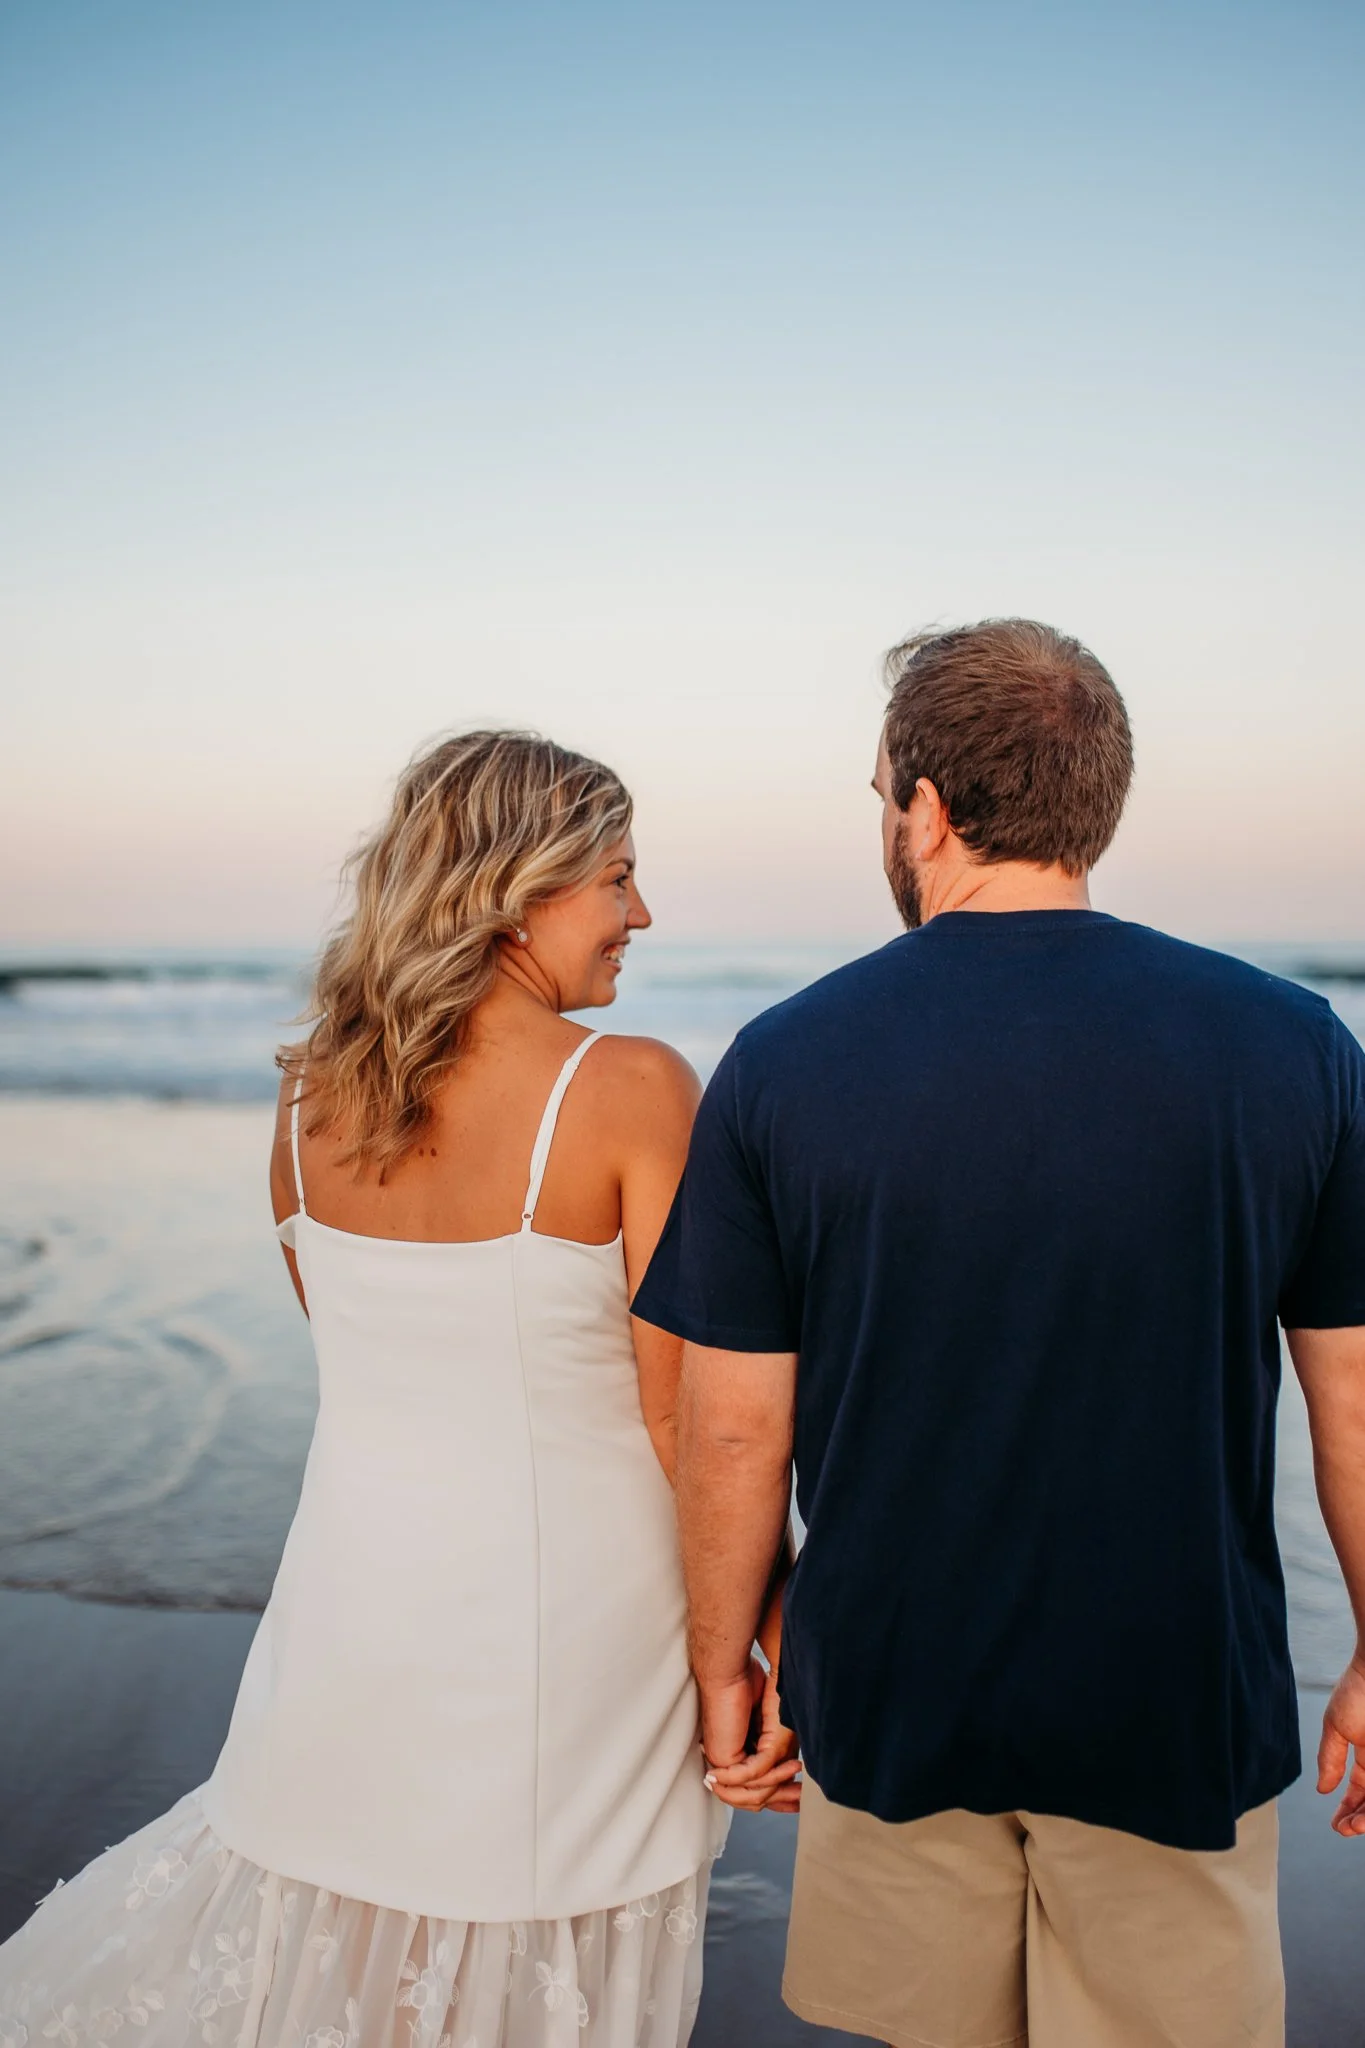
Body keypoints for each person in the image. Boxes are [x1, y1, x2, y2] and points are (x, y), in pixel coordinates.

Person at [633, 619, 1365, 2048]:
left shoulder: (787, 1058)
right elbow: (1352, 1387)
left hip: (892, 1684)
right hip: (1173, 1693)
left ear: (926, 805)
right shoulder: (1293, 1046)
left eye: (880, 798)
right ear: (1098, 799)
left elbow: (732, 1422)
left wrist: (728, 1659)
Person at [0, 730, 731, 2048]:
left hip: (348, 1624)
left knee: (347, 1952)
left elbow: (373, 1366)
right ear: (519, 890)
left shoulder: (302, 1104)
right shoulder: (631, 1090)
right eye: (616, 878)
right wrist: (756, 1647)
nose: (641, 914)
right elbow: (686, 1422)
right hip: (572, 1650)